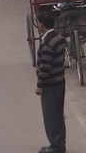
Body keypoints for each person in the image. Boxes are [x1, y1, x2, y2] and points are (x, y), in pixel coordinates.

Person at [35, 10, 67, 153]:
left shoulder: (47, 42)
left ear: (41, 25)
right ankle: (59, 142)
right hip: (60, 82)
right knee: (58, 114)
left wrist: (39, 85)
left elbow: (45, 67)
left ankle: (56, 146)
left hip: (50, 85)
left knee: (51, 116)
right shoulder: (59, 37)